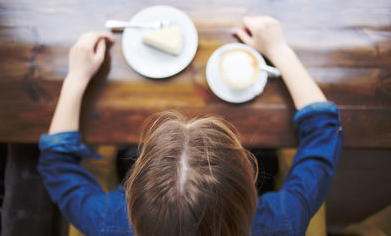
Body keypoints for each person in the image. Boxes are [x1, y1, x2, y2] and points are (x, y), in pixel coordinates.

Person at [38, 16, 343, 236]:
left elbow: (58, 169)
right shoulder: (284, 220)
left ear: (130, 197)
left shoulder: (107, 221)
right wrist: (279, 50)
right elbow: (323, 133)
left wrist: (76, 77)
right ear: (252, 186)